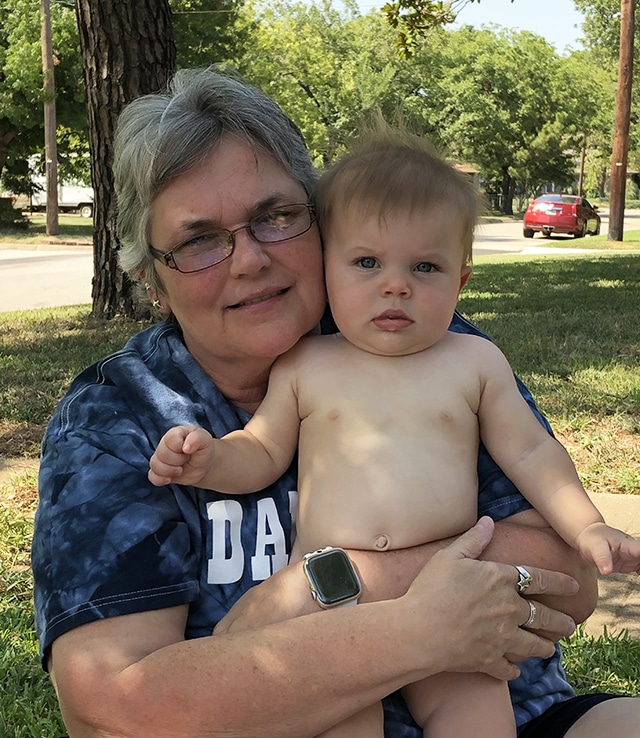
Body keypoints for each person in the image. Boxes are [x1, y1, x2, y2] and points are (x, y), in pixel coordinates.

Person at [30, 66, 639, 738]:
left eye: (276, 216)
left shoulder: (425, 343)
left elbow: (568, 579)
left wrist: (325, 588)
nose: (250, 259)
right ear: (151, 278)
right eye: (200, 239)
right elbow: (115, 707)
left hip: (514, 710)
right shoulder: (119, 418)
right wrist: (410, 629)